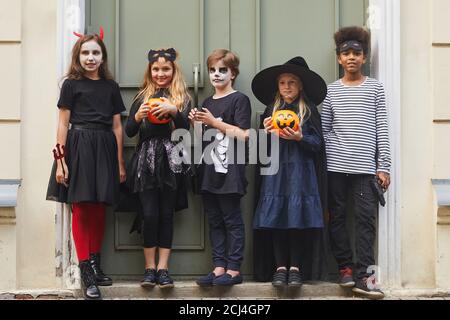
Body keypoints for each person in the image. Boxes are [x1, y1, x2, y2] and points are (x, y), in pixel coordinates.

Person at [46, 29, 127, 300]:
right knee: (81, 207)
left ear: (102, 57)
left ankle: (95, 261)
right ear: (78, 57)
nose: (90, 57)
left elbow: (117, 127)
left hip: (104, 146)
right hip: (78, 146)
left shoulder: (111, 87)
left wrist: (119, 163)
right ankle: (86, 272)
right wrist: (60, 162)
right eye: (85, 53)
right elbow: (62, 123)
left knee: (99, 205)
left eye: (95, 52)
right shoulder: (70, 85)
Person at [322, 26, 391, 299]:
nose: (351, 58)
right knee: (337, 218)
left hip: (365, 170)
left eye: (356, 53)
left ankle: (365, 276)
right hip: (336, 168)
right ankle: (345, 269)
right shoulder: (330, 91)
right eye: (346, 53)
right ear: (339, 58)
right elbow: (325, 130)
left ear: (364, 58)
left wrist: (383, 165)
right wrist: (334, 153)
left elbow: (381, 128)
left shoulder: (375, 88)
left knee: (365, 221)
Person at [252, 57, 329, 287]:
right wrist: (265, 133)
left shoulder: (309, 111)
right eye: (283, 82)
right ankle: (279, 267)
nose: (287, 87)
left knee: (296, 220)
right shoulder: (270, 110)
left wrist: (300, 137)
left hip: (301, 176)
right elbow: (259, 149)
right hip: (275, 175)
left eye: (292, 82)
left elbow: (318, 145)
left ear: (301, 85)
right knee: (276, 219)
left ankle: (295, 267)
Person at [125, 48, 191, 289]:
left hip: (171, 160)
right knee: (150, 214)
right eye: (156, 69)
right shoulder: (141, 97)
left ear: (173, 71)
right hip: (147, 162)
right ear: (150, 71)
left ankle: (163, 268)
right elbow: (130, 131)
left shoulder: (181, 97)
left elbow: (186, 131)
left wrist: (175, 112)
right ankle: (149, 268)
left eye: (166, 69)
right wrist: (138, 117)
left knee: (166, 214)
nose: (160, 73)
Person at [189, 49, 252, 286]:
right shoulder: (207, 102)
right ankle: (218, 267)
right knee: (214, 219)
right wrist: (195, 122)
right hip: (209, 169)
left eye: (222, 70)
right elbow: (199, 139)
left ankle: (234, 270)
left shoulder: (239, 100)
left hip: (230, 171)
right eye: (213, 70)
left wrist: (215, 122)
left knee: (231, 220)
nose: (216, 74)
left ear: (233, 73)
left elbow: (245, 135)